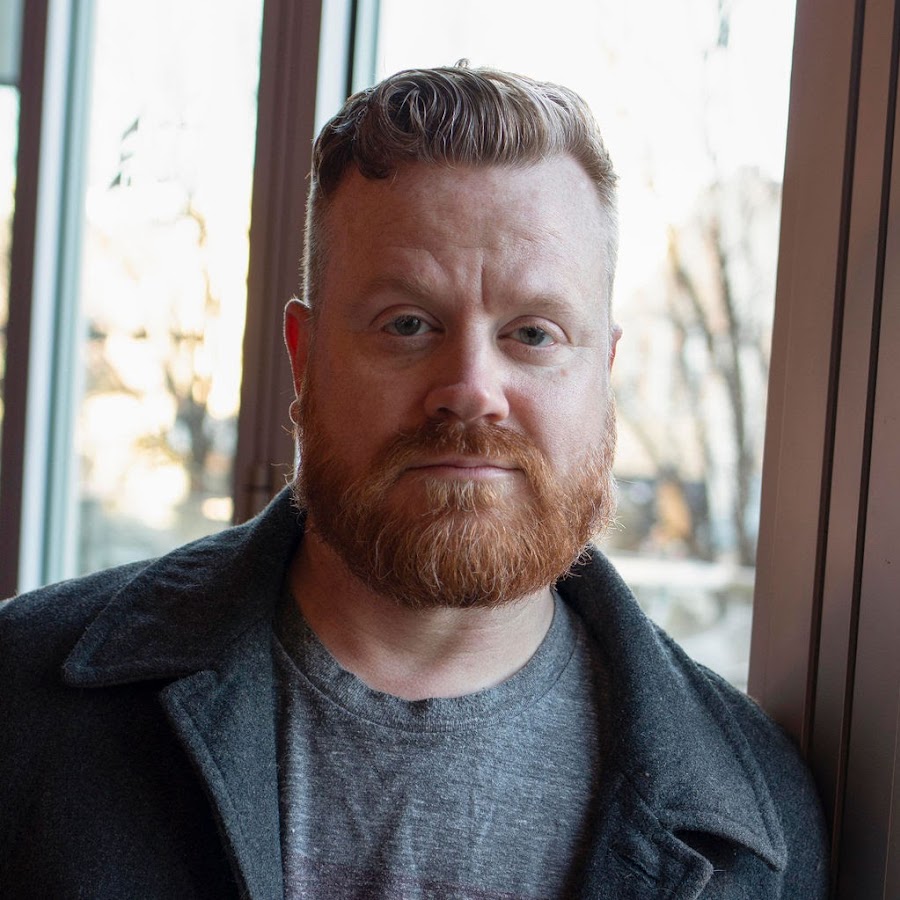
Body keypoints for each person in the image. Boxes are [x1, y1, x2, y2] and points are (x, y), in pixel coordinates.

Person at [0, 64, 827, 899]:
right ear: (304, 360)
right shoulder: (19, 698)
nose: (470, 389)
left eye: (533, 334)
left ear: (603, 375)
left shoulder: (760, 833)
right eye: (407, 323)